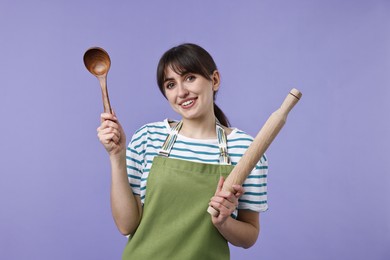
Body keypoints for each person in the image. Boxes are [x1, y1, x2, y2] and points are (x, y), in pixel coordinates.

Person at [97, 43, 268, 259]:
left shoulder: (247, 149)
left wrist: (224, 222)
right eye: (170, 85)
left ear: (214, 80)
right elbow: (125, 225)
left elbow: (249, 235)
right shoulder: (148, 137)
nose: (181, 92)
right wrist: (117, 156)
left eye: (189, 78)